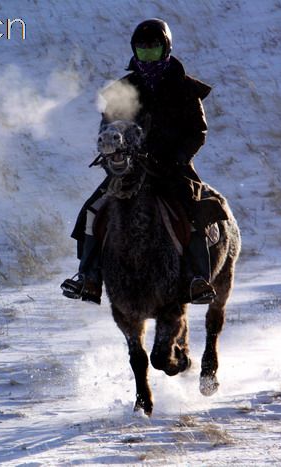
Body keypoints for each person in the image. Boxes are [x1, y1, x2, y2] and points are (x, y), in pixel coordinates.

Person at [61, 18, 227, 305]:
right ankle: (88, 276)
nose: (147, 56)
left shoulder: (186, 89)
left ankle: (197, 278)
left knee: (195, 210)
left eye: (153, 50)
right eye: (142, 51)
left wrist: (177, 159)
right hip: (128, 171)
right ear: (134, 51)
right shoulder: (122, 89)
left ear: (166, 49)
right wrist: (114, 152)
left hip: (173, 170)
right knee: (91, 211)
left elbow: (197, 132)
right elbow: (107, 128)